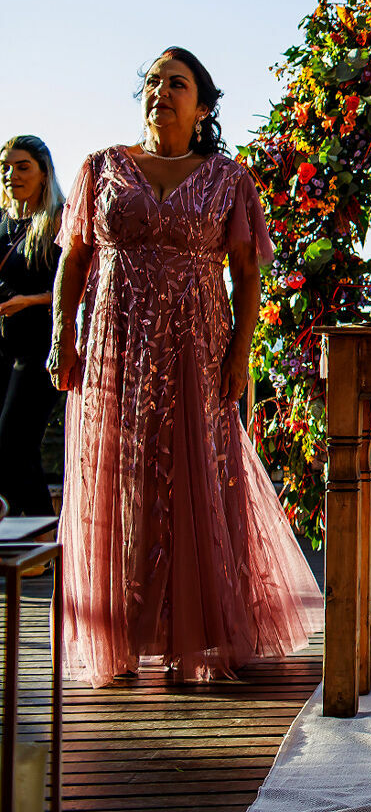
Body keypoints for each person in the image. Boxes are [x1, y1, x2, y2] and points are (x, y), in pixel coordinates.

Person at [49, 47, 321, 687]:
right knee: (118, 480)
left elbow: (248, 274)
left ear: (202, 107)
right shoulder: (101, 167)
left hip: (196, 348)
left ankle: (196, 634)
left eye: (177, 83)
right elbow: (74, 258)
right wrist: (63, 334)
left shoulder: (228, 178)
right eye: (153, 81)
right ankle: (121, 633)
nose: (162, 91)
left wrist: (240, 353)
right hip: (116, 348)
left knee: (198, 479)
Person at [0, 136, 64, 517]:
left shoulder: (58, 219)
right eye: (5, 167)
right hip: (3, 348)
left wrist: (28, 301)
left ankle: (41, 535)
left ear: (44, 173)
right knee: (10, 451)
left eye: (23, 167)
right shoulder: (2, 222)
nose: (12, 175)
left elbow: (78, 286)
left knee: (14, 444)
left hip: (40, 350)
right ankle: (27, 533)